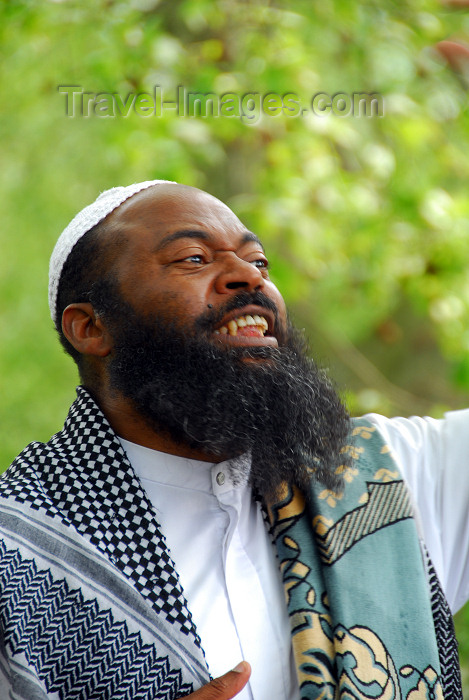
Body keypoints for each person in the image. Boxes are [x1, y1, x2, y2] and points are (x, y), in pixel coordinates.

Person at [0, 180, 466, 700]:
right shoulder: (18, 554)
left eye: (259, 262)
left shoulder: (388, 476)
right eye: (194, 258)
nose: (248, 276)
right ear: (90, 328)